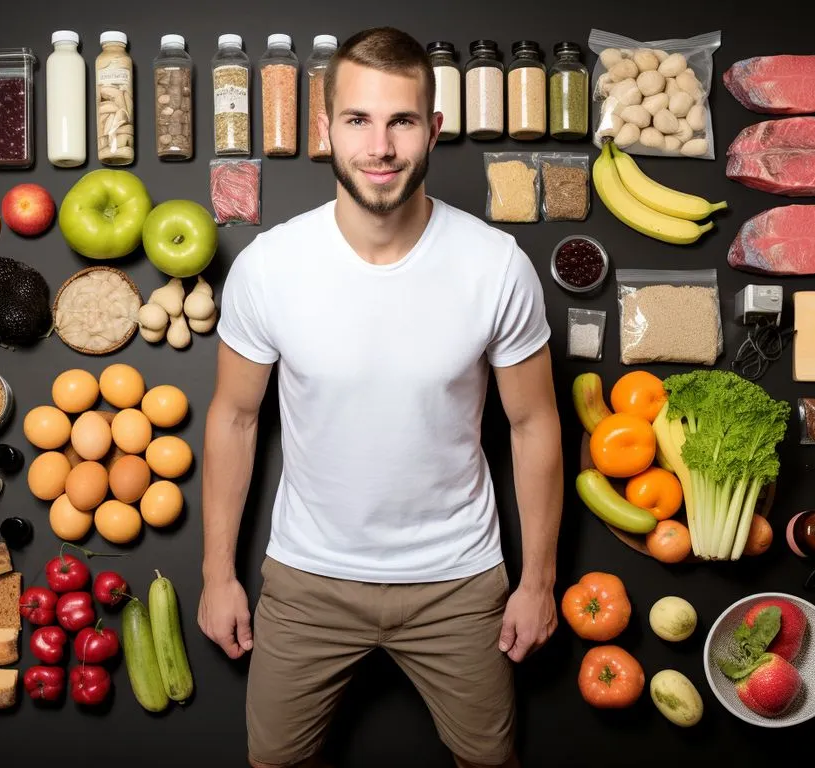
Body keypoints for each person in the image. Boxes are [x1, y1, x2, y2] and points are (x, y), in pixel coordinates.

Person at [197, 26, 563, 768]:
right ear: (325, 127)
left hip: (458, 580)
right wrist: (217, 573)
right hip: (307, 578)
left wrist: (539, 581)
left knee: (492, 762)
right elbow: (235, 417)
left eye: (401, 121)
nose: (381, 146)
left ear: (432, 129)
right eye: (358, 120)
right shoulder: (270, 266)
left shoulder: (496, 265)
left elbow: (532, 425)